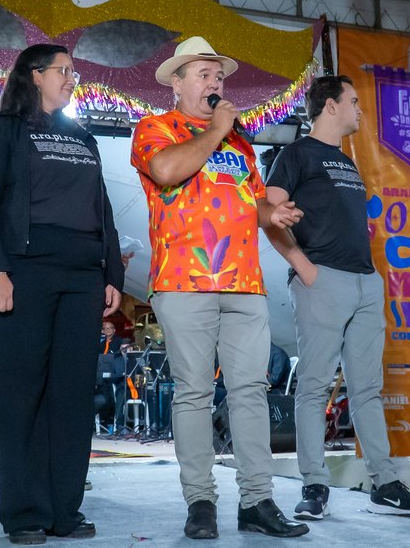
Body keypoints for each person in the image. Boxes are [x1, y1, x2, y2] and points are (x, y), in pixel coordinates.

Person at [130, 36, 308, 539]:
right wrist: (216, 131)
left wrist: (275, 213)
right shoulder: (156, 129)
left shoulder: (241, 145)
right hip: (183, 280)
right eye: (204, 74)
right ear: (178, 82)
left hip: (244, 282)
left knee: (250, 391)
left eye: (220, 76)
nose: (215, 83)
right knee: (193, 391)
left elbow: (252, 205)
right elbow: (166, 171)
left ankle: (257, 500)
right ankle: (200, 502)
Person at [0, 43, 124, 545]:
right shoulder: (2, 131)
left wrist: (113, 276)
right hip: (24, 273)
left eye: (75, 72)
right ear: (34, 76)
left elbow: (103, 209)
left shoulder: (84, 138)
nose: (72, 78)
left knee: (73, 397)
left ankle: (65, 512)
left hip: (82, 277)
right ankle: (25, 514)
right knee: (20, 396)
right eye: (64, 71)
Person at [263, 74, 410, 519]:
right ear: (331, 106)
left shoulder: (346, 161)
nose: (360, 109)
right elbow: (269, 213)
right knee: (314, 388)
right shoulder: (294, 154)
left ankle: (386, 484)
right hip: (323, 281)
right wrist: (304, 268)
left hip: (364, 282)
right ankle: (314, 486)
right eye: (354, 101)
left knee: (368, 390)